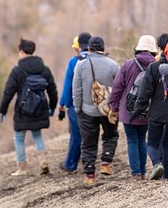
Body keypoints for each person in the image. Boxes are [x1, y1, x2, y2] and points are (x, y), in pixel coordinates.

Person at [0, 38, 58, 176]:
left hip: (23, 110)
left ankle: (22, 168)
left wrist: (3, 109)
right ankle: (43, 162)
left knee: (19, 138)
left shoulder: (17, 71)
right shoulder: (44, 69)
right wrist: (52, 107)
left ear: (21, 52)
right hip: (40, 108)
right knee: (37, 135)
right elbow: (52, 90)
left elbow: (8, 92)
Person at [131, 29, 168, 180]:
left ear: (160, 48)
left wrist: (136, 111)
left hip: (157, 113)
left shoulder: (153, 68)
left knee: (152, 144)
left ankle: (156, 164)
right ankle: (167, 176)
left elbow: (144, 93)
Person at [72, 36, 120, 185]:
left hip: (86, 110)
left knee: (88, 142)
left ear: (90, 49)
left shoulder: (80, 65)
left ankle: (89, 175)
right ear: (103, 48)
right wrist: (116, 107)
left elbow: (77, 90)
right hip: (108, 110)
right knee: (111, 135)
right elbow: (118, 89)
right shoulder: (113, 65)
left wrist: (78, 108)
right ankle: (106, 163)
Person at [109, 35, 158, 179]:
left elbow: (117, 87)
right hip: (147, 109)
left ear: (138, 49)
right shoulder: (156, 65)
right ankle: (142, 171)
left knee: (132, 140)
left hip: (128, 109)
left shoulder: (128, 64)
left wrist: (114, 106)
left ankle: (136, 173)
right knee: (142, 139)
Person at [57, 32, 91, 173]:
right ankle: (89, 162)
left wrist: (62, 103)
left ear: (78, 47)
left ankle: (71, 164)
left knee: (76, 134)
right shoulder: (97, 59)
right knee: (90, 133)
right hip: (93, 103)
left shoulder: (73, 61)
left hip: (75, 104)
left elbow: (67, 85)